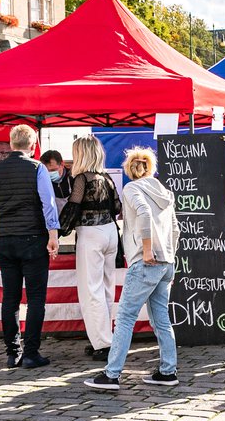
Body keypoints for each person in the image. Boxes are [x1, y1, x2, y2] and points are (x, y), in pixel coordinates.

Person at [85, 147, 180, 390]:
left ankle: (112, 373)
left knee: (126, 317)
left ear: (130, 169)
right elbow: (176, 228)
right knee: (161, 319)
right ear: (151, 167)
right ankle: (168, 371)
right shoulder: (165, 192)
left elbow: (144, 214)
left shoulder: (131, 189)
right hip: (166, 261)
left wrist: (147, 249)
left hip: (146, 261)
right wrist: (168, 253)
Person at [0, 124, 60, 369]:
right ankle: (31, 353)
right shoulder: (37, 168)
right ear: (33, 145)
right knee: (36, 298)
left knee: (10, 297)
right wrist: (53, 234)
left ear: (10, 144)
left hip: (5, 240)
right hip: (32, 239)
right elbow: (48, 203)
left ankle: (12, 352)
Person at [60, 136, 122, 361]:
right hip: (110, 232)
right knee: (106, 288)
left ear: (81, 154)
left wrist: (57, 232)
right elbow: (117, 207)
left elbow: (72, 209)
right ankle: (106, 338)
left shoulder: (81, 179)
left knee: (91, 290)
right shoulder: (106, 179)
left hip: (91, 234)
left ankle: (103, 343)